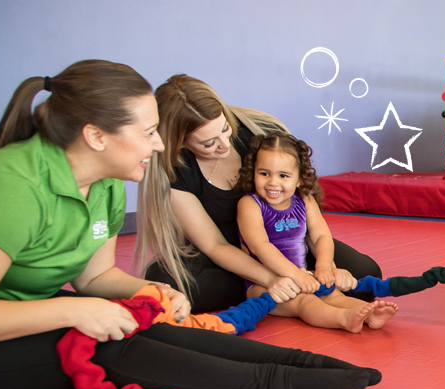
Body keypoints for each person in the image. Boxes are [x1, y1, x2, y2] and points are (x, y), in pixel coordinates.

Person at [0, 60, 377, 389]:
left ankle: (299, 363)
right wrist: (75, 309)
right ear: (96, 136)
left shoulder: (106, 184)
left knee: (150, 325)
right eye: (147, 134)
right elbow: (86, 296)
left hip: (28, 311)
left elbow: (93, 279)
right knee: (110, 345)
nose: (158, 145)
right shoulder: (11, 186)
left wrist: (150, 291)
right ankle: (272, 386)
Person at [137, 75, 381, 313]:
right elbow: (215, 245)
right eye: (209, 143)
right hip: (228, 256)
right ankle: (279, 289)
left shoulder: (258, 132)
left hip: (286, 240)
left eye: (225, 129)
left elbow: (305, 208)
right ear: (181, 142)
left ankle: (294, 287)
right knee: (172, 286)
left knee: (365, 274)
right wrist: (272, 278)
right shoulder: (176, 172)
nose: (224, 144)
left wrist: (326, 267)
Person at [237, 132, 397, 333]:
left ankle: (368, 314)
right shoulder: (250, 204)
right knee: (305, 302)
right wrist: (295, 275)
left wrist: (323, 267)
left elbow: (321, 236)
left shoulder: (305, 201)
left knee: (334, 295)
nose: (272, 183)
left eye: (283, 175)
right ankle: (343, 319)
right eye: (264, 173)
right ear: (253, 173)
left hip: (304, 275)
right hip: (264, 285)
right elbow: (259, 246)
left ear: (298, 179)